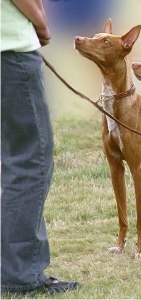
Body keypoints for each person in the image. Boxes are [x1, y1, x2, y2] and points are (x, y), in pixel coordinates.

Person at [1, 0, 79, 295]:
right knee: (30, 161)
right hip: (10, 51)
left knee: (14, 159)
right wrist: (41, 22)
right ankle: (19, 274)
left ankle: (15, 267)